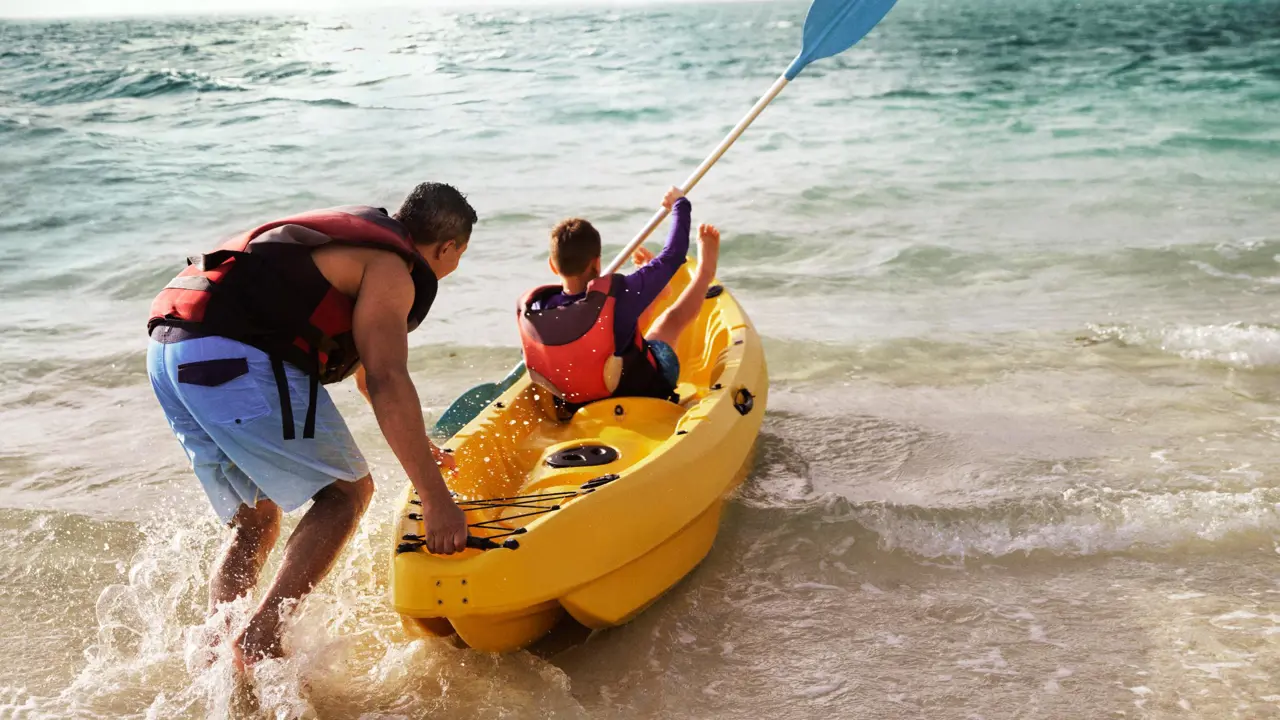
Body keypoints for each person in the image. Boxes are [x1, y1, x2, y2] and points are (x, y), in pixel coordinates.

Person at [146, 182, 474, 667]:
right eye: (459, 255)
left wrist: (420, 447)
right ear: (447, 247)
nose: (454, 267)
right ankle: (262, 639)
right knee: (346, 495)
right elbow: (387, 378)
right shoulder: (393, 269)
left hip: (169, 349)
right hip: (232, 352)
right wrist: (436, 499)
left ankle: (218, 657)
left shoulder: (352, 248)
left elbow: (367, 377)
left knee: (255, 521)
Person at [516, 186, 721, 406]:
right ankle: (704, 274)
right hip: (637, 389)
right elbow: (673, 255)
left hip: (575, 400)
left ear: (552, 266)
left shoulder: (537, 308)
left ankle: (654, 294)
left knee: (615, 326)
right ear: (596, 262)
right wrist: (680, 204)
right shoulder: (618, 295)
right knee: (669, 322)